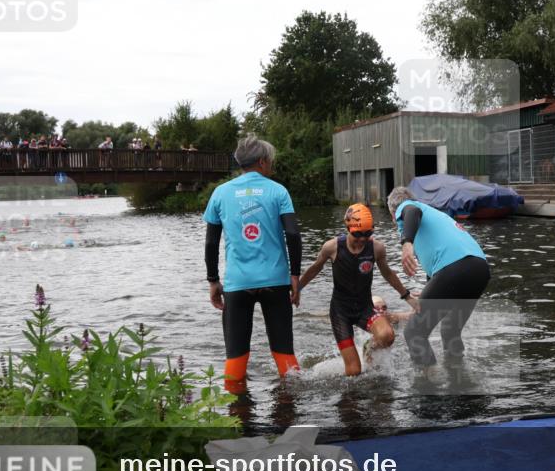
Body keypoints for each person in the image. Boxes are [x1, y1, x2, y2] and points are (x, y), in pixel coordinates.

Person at [204, 134, 302, 391]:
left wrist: (213, 280)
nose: (271, 165)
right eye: (270, 161)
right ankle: (289, 413)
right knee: (284, 353)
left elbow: (211, 243)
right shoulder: (278, 191)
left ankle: (237, 419)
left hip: (238, 283)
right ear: (261, 162)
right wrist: (295, 276)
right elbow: (292, 234)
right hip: (276, 281)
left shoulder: (220, 193)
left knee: (235, 357)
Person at [299, 203, 415, 377]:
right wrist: (297, 289)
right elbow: (315, 268)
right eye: (358, 234)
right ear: (348, 228)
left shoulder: (377, 248)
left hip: (364, 308)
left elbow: (388, 274)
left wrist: (407, 296)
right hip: (340, 312)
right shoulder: (332, 247)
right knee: (354, 372)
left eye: (368, 233)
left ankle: (369, 348)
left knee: (387, 336)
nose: (362, 238)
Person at [387, 186, 491, 370]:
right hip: (479, 270)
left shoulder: (408, 207)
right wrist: (431, 289)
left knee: (414, 332)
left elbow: (411, 211)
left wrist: (407, 243)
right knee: (450, 330)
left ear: (393, 213)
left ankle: (429, 383)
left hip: (455, 268)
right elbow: (435, 267)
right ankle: (457, 376)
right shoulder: (435, 216)